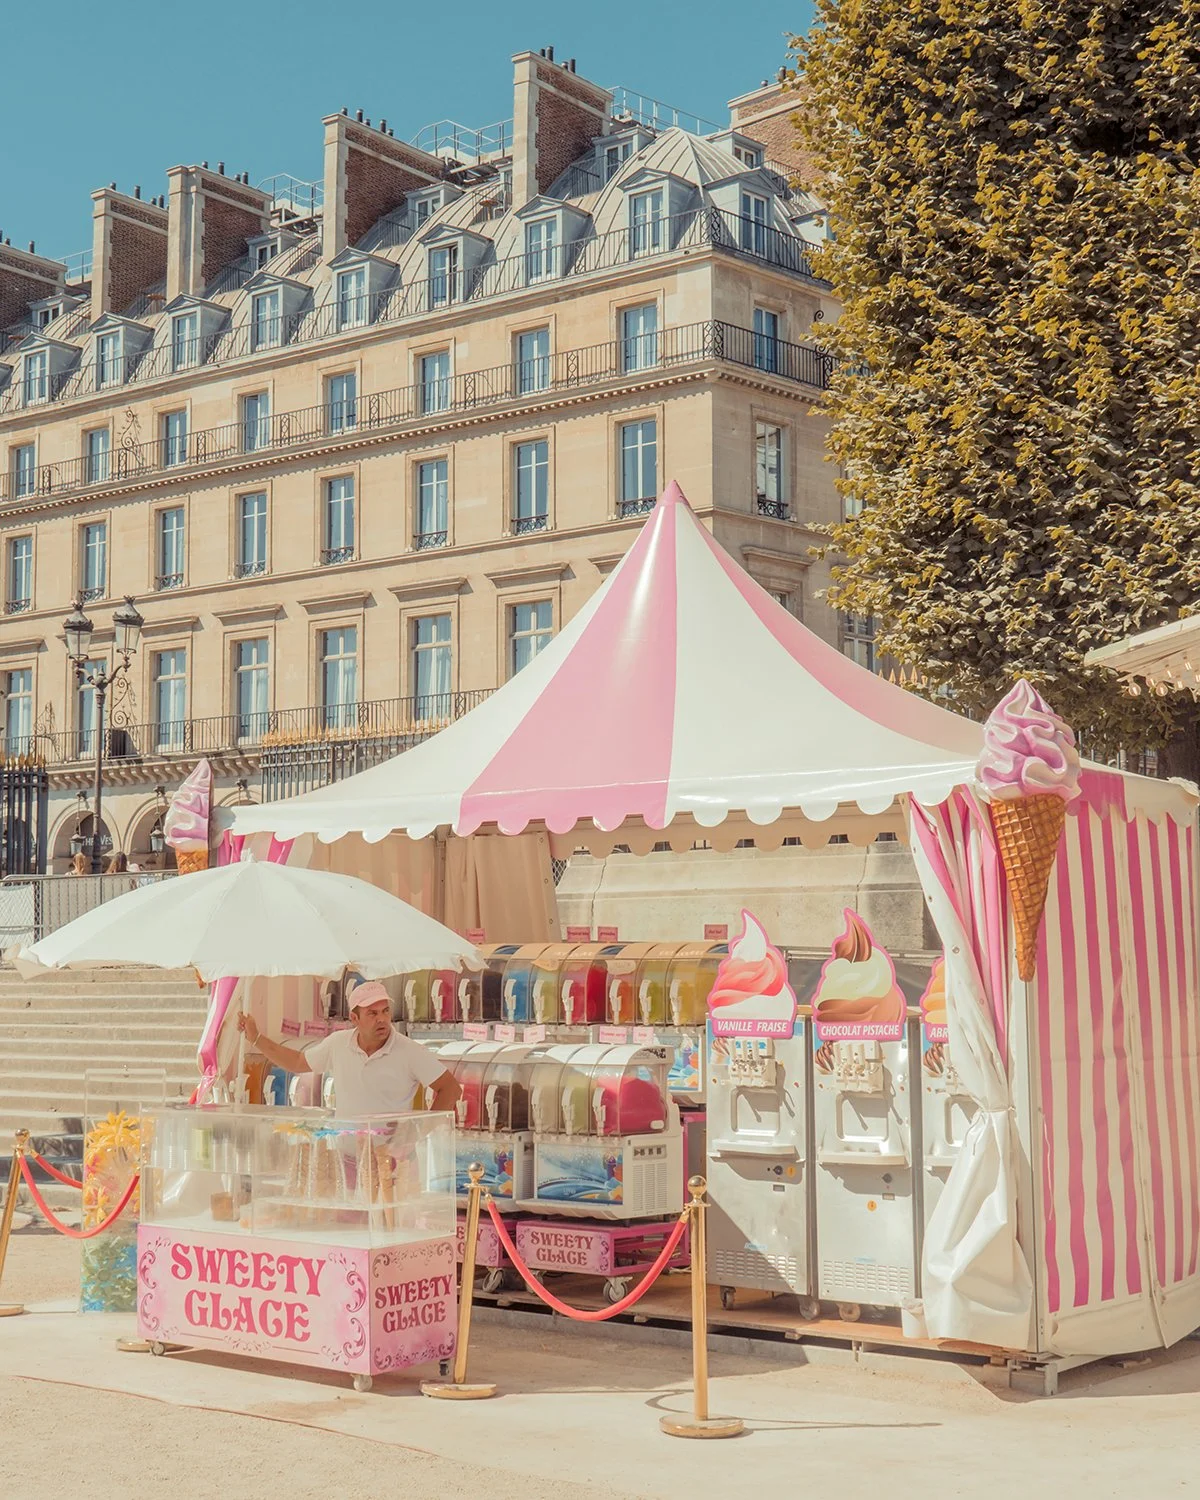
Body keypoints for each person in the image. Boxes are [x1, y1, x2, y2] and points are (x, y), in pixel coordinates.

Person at [238, 980, 460, 1116]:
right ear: (355, 1018)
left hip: (392, 1161)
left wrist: (418, 1133)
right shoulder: (338, 1043)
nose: (382, 1019)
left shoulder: (409, 1051)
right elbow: (297, 1062)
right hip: (348, 1158)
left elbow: (450, 1088)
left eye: (385, 1011)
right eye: (372, 1014)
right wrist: (256, 1038)